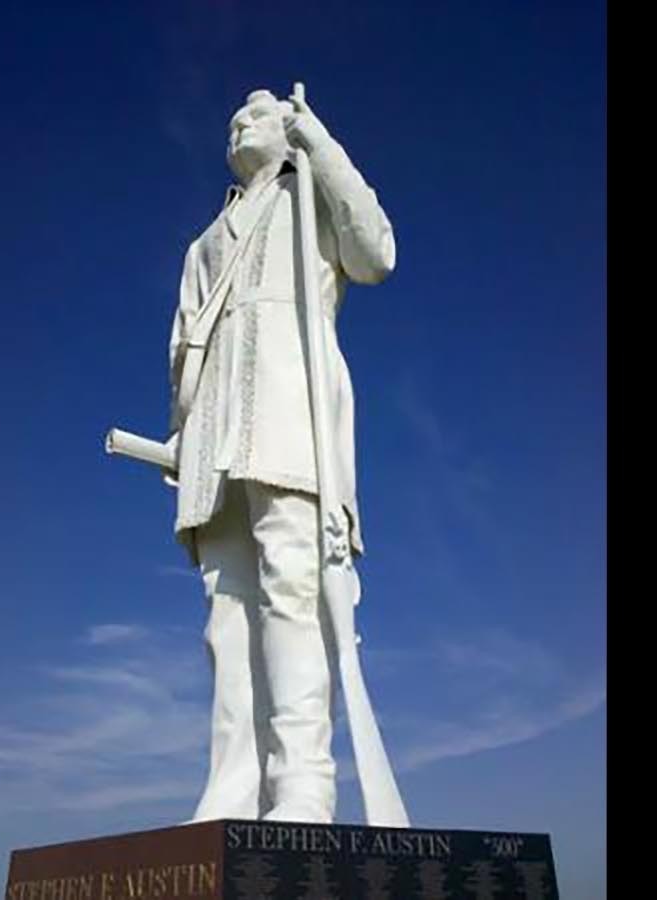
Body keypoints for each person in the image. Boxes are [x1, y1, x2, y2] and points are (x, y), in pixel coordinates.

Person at [165, 88, 396, 823]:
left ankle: (303, 790)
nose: (239, 121)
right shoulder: (202, 245)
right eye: (232, 116)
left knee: (292, 591)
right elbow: (183, 353)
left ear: (289, 126)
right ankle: (232, 790)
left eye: (257, 114)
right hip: (213, 442)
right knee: (225, 618)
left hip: (289, 422)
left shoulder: (312, 192)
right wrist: (181, 428)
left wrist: (319, 142)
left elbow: (377, 254)